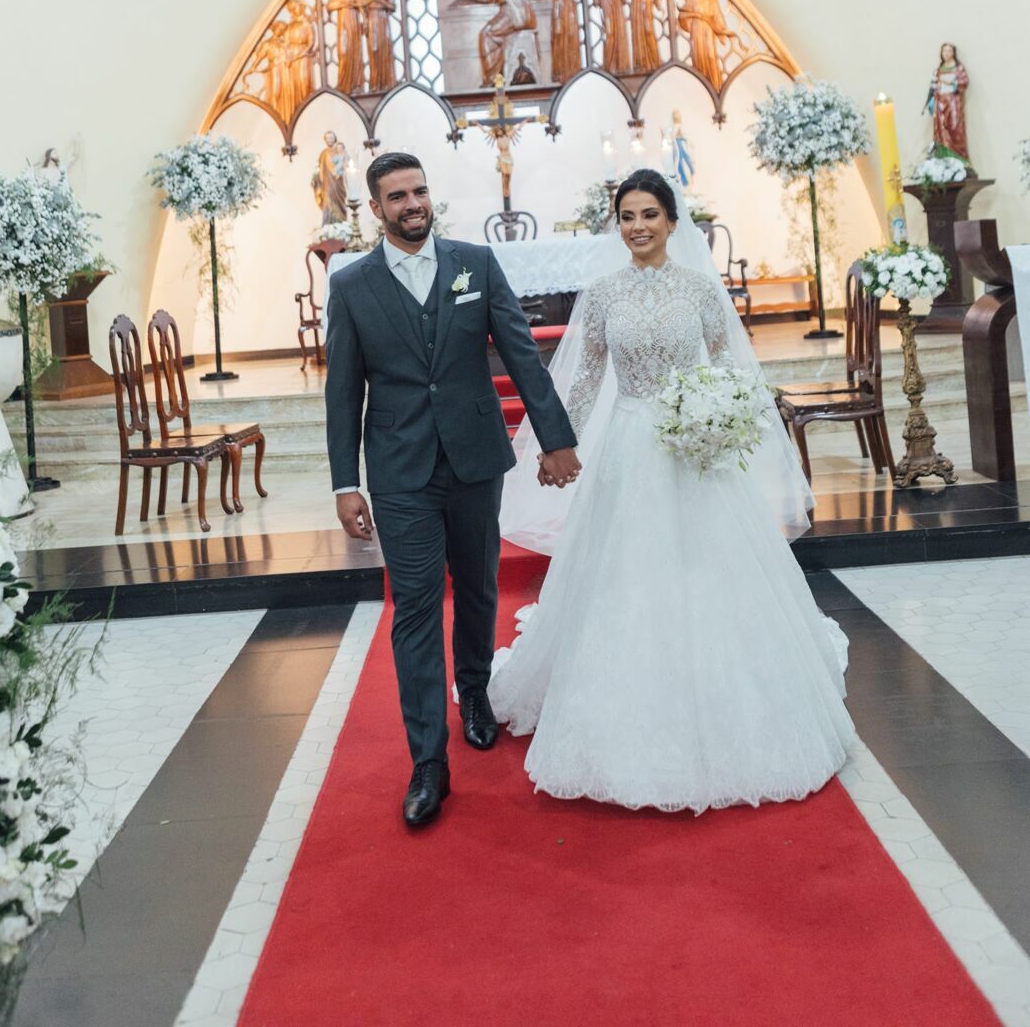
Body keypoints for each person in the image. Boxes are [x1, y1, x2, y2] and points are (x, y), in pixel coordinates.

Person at [489, 168, 853, 813]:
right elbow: (586, 379)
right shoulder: (600, 294)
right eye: (627, 216)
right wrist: (555, 441)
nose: (637, 227)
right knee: (628, 575)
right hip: (630, 449)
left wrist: (724, 417)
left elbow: (728, 369)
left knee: (709, 569)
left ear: (671, 222)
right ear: (617, 223)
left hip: (697, 451)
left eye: (649, 215)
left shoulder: (700, 291)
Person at [324, 151, 581, 828]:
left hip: (473, 459)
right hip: (399, 469)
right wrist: (345, 483)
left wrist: (554, 437)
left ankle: (474, 692)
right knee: (413, 607)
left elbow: (521, 351)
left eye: (418, 191)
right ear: (375, 209)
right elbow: (342, 392)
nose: (411, 203)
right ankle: (427, 761)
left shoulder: (474, 264)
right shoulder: (351, 286)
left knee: (476, 589)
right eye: (396, 196)